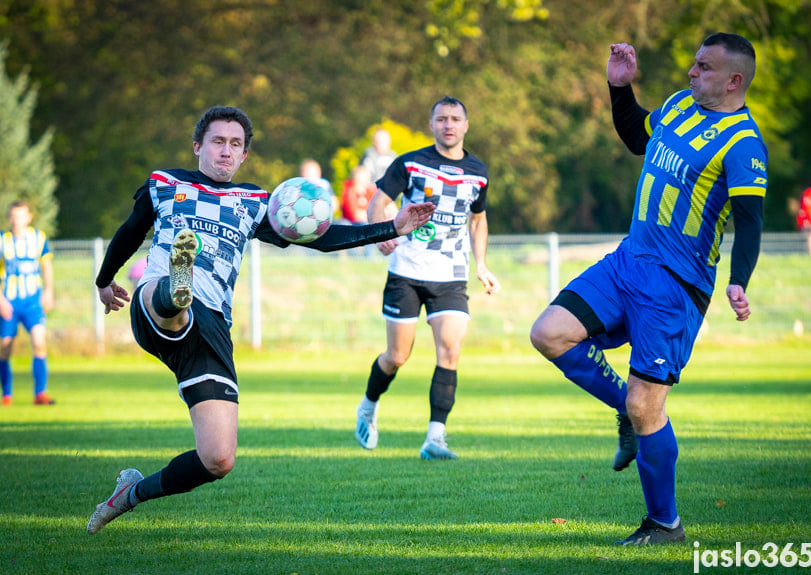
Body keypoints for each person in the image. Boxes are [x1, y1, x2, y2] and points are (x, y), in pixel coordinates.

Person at [87, 105, 434, 534]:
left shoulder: (253, 201)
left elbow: (321, 239)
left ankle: (131, 493)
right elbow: (129, 231)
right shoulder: (165, 183)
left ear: (244, 155)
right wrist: (105, 281)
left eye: (236, 145)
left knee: (218, 458)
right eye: (218, 141)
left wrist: (393, 227)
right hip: (156, 305)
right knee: (174, 303)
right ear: (198, 146)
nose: (226, 151)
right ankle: (177, 283)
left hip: (211, 330)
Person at [530, 34, 768, 545]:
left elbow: (749, 223)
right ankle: (623, 408)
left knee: (647, 406)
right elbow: (639, 136)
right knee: (549, 333)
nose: (690, 72)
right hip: (627, 261)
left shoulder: (743, 144)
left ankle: (665, 523)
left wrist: (739, 282)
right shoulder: (681, 105)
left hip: (675, 287)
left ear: (734, 81)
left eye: (703, 67)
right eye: (693, 62)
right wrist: (620, 89)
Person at [354, 96, 501, 460]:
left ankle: (435, 439)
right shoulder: (410, 163)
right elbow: (378, 202)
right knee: (397, 356)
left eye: (455, 119)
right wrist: (382, 234)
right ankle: (369, 406)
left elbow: (478, 220)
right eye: (441, 119)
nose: (449, 124)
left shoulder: (478, 172)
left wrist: (480, 264)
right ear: (431, 124)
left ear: (466, 125)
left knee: (450, 349)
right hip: (406, 272)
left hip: (451, 276)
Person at [0, 201, 55, 406]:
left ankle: (40, 394)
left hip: (32, 301)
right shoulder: (2, 240)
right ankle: (6, 394)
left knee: (39, 343)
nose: (17, 220)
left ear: (29, 217)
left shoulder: (38, 238)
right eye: (13, 216)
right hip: (8, 302)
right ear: (9, 218)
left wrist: (49, 291)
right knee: (5, 348)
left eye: (21, 216)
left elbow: (46, 265)